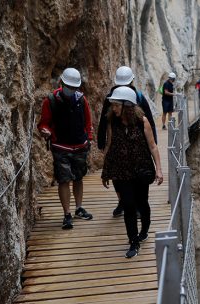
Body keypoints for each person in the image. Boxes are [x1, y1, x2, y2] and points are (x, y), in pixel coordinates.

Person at [101, 87, 163, 258]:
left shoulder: (142, 121)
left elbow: (153, 146)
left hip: (141, 169)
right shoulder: (112, 122)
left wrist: (158, 169)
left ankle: (145, 228)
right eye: (112, 105)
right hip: (122, 171)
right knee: (128, 205)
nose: (113, 108)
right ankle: (133, 242)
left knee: (142, 203)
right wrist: (105, 171)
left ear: (126, 105)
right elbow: (109, 145)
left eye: (115, 105)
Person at [97, 66, 158, 217]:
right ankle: (125, 202)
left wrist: (101, 140)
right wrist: (153, 140)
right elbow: (149, 119)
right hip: (120, 141)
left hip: (134, 142)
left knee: (124, 175)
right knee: (120, 175)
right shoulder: (131, 96)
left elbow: (103, 121)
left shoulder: (130, 96)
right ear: (132, 80)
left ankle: (128, 203)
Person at [37, 67, 94, 229]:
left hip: (80, 146)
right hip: (60, 146)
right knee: (64, 179)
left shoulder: (82, 100)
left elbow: (88, 122)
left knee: (78, 178)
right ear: (62, 83)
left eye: (74, 87)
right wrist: (45, 131)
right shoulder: (51, 100)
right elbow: (44, 123)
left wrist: (88, 138)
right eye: (69, 86)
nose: (71, 90)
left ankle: (78, 208)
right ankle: (67, 213)